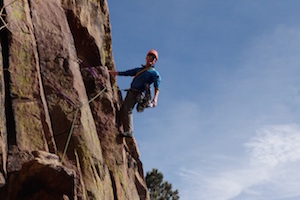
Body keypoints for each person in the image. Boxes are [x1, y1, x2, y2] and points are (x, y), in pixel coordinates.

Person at [109, 49, 161, 138]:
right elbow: (127, 73)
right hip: (131, 91)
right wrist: (113, 73)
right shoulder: (140, 70)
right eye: (150, 57)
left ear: (155, 61)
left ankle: (129, 131)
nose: (152, 59)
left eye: (154, 59)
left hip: (137, 93)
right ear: (146, 57)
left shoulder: (153, 73)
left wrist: (155, 99)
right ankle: (124, 128)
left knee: (127, 109)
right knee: (124, 109)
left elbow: (157, 87)